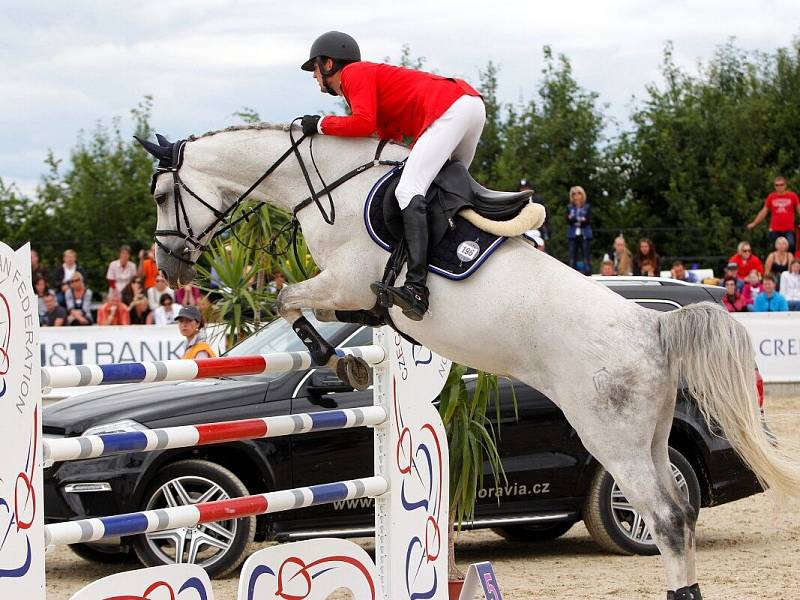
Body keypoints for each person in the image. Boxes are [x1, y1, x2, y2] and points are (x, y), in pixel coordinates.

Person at [300, 31, 483, 321]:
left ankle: (417, 289)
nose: (314, 77)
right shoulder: (368, 81)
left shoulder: (354, 74)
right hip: (469, 105)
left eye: (315, 69)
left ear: (329, 63)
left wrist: (321, 124)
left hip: (451, 108)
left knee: (408, 191)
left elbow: (362, 123)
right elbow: (386, 136)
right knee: (445, 191)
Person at [747, 176, 800, 252]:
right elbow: (764, 211)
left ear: (785, 185)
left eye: (781, 185)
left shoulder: (792, 196)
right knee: (775, 249)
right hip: (775, 229)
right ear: (774, 186)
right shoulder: (771, 197)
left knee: (791, 245)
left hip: (789, 229)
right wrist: (754, 223)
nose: (779, 187)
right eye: (777, 185)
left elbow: (799, 209)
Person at [566, 186, 592, 274]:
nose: (576, 196)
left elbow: (587, 220)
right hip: (572, 234)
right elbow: (568, 220)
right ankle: (572, 275)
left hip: (584, 234)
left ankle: (588, 274)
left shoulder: (587, 207)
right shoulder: (569, 207)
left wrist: (574, 219)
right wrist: (580, 219)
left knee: (586, 255)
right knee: (572, 257)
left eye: (579, 193)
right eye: (574, 194)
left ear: (582, 195)